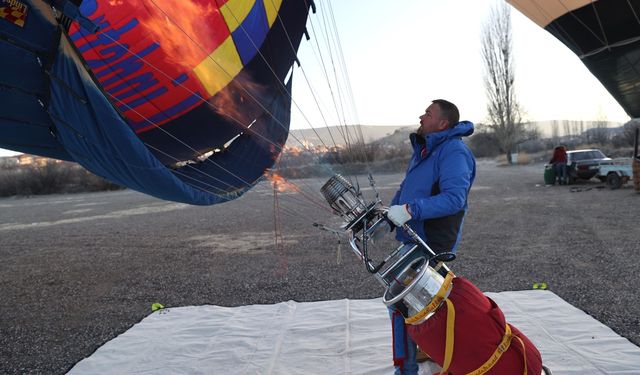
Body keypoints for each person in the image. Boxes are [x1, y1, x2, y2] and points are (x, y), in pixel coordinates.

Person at [385, 99, 476, 375]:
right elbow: (407, 187)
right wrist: (388, 216)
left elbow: (454, 199)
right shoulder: (425, 150)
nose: (421, 116)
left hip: (430, 241)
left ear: (443, 123)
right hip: (413, 236)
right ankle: (431, 350)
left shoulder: (453, 152)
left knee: (400, 303)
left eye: (428, 113)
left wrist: (411, 210)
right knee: (423, 304)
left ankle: (407, 370)